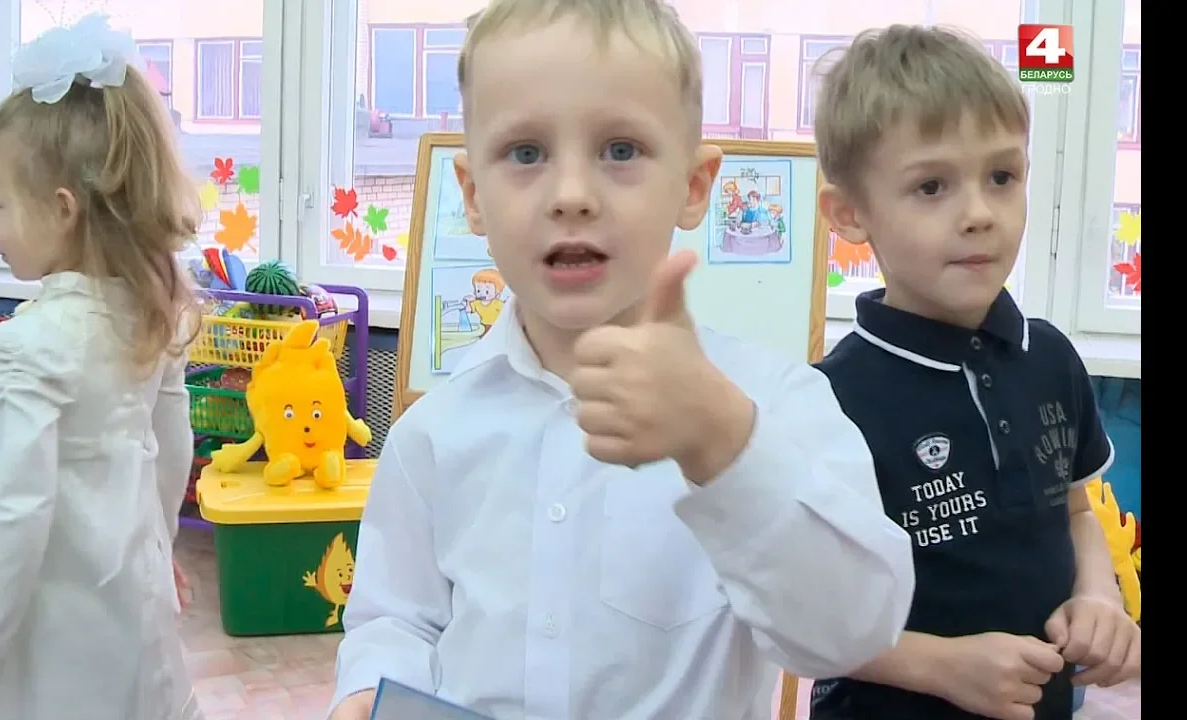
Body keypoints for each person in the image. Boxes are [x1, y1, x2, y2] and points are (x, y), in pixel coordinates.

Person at [329, 1, 916, 718]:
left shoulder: (777, 402)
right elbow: (397, 617)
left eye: (620, 150)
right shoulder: (432, 432)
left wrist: (725, 445)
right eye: (526, 154)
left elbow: (852, 631)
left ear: (694, 187)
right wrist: (367, 690)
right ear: (474, 197)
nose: (572, 196)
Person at [809, 25, 1141, 720]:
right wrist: (940, 667)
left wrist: (1099, 595)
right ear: (849, 214)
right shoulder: (826, 401)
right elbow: (799, 614)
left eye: (1002, 177)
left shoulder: (1051, 358)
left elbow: (1076, 510)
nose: (980, 214)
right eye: (931, 185)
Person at [0, 14, 203, 720]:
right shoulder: (151, 318)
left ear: (62, 210)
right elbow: (172, 452)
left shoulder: (23, 353)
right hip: (128, 600)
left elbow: (12, 510)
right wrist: (159, 545)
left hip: (47, 628)